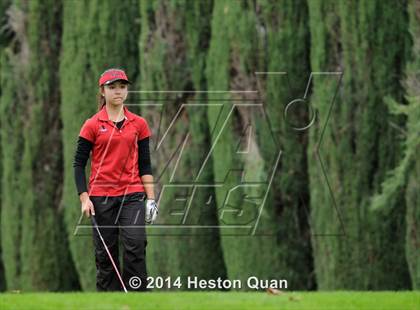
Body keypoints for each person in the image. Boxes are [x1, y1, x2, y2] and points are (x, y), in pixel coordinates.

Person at [73, 68, 158, 291]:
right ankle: (110, 302)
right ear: (102, 91)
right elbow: (78, 165)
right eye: (112, 87)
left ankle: (138, 299)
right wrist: (84, 198)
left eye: (122, 86)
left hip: (132, 195)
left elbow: (145, 164)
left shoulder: (139, 124)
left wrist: (151, 199)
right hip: (101, 197)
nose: (118, 91)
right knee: (105, 256)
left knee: (136, 246)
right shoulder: (92, 124)